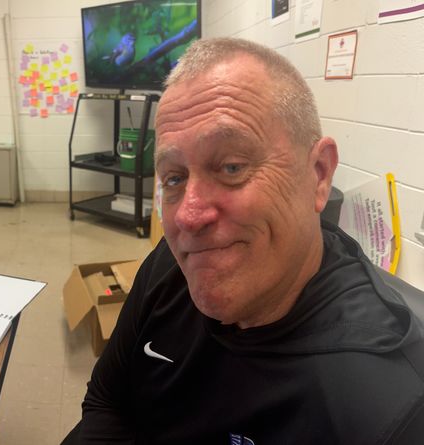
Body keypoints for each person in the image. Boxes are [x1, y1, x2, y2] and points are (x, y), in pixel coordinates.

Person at [63, 38, 424, 443]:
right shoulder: (170, 266)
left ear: (319, 175)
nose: (187, 216)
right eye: (174, 178)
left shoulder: (394, 402)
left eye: (232, 166)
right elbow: (108, 402)